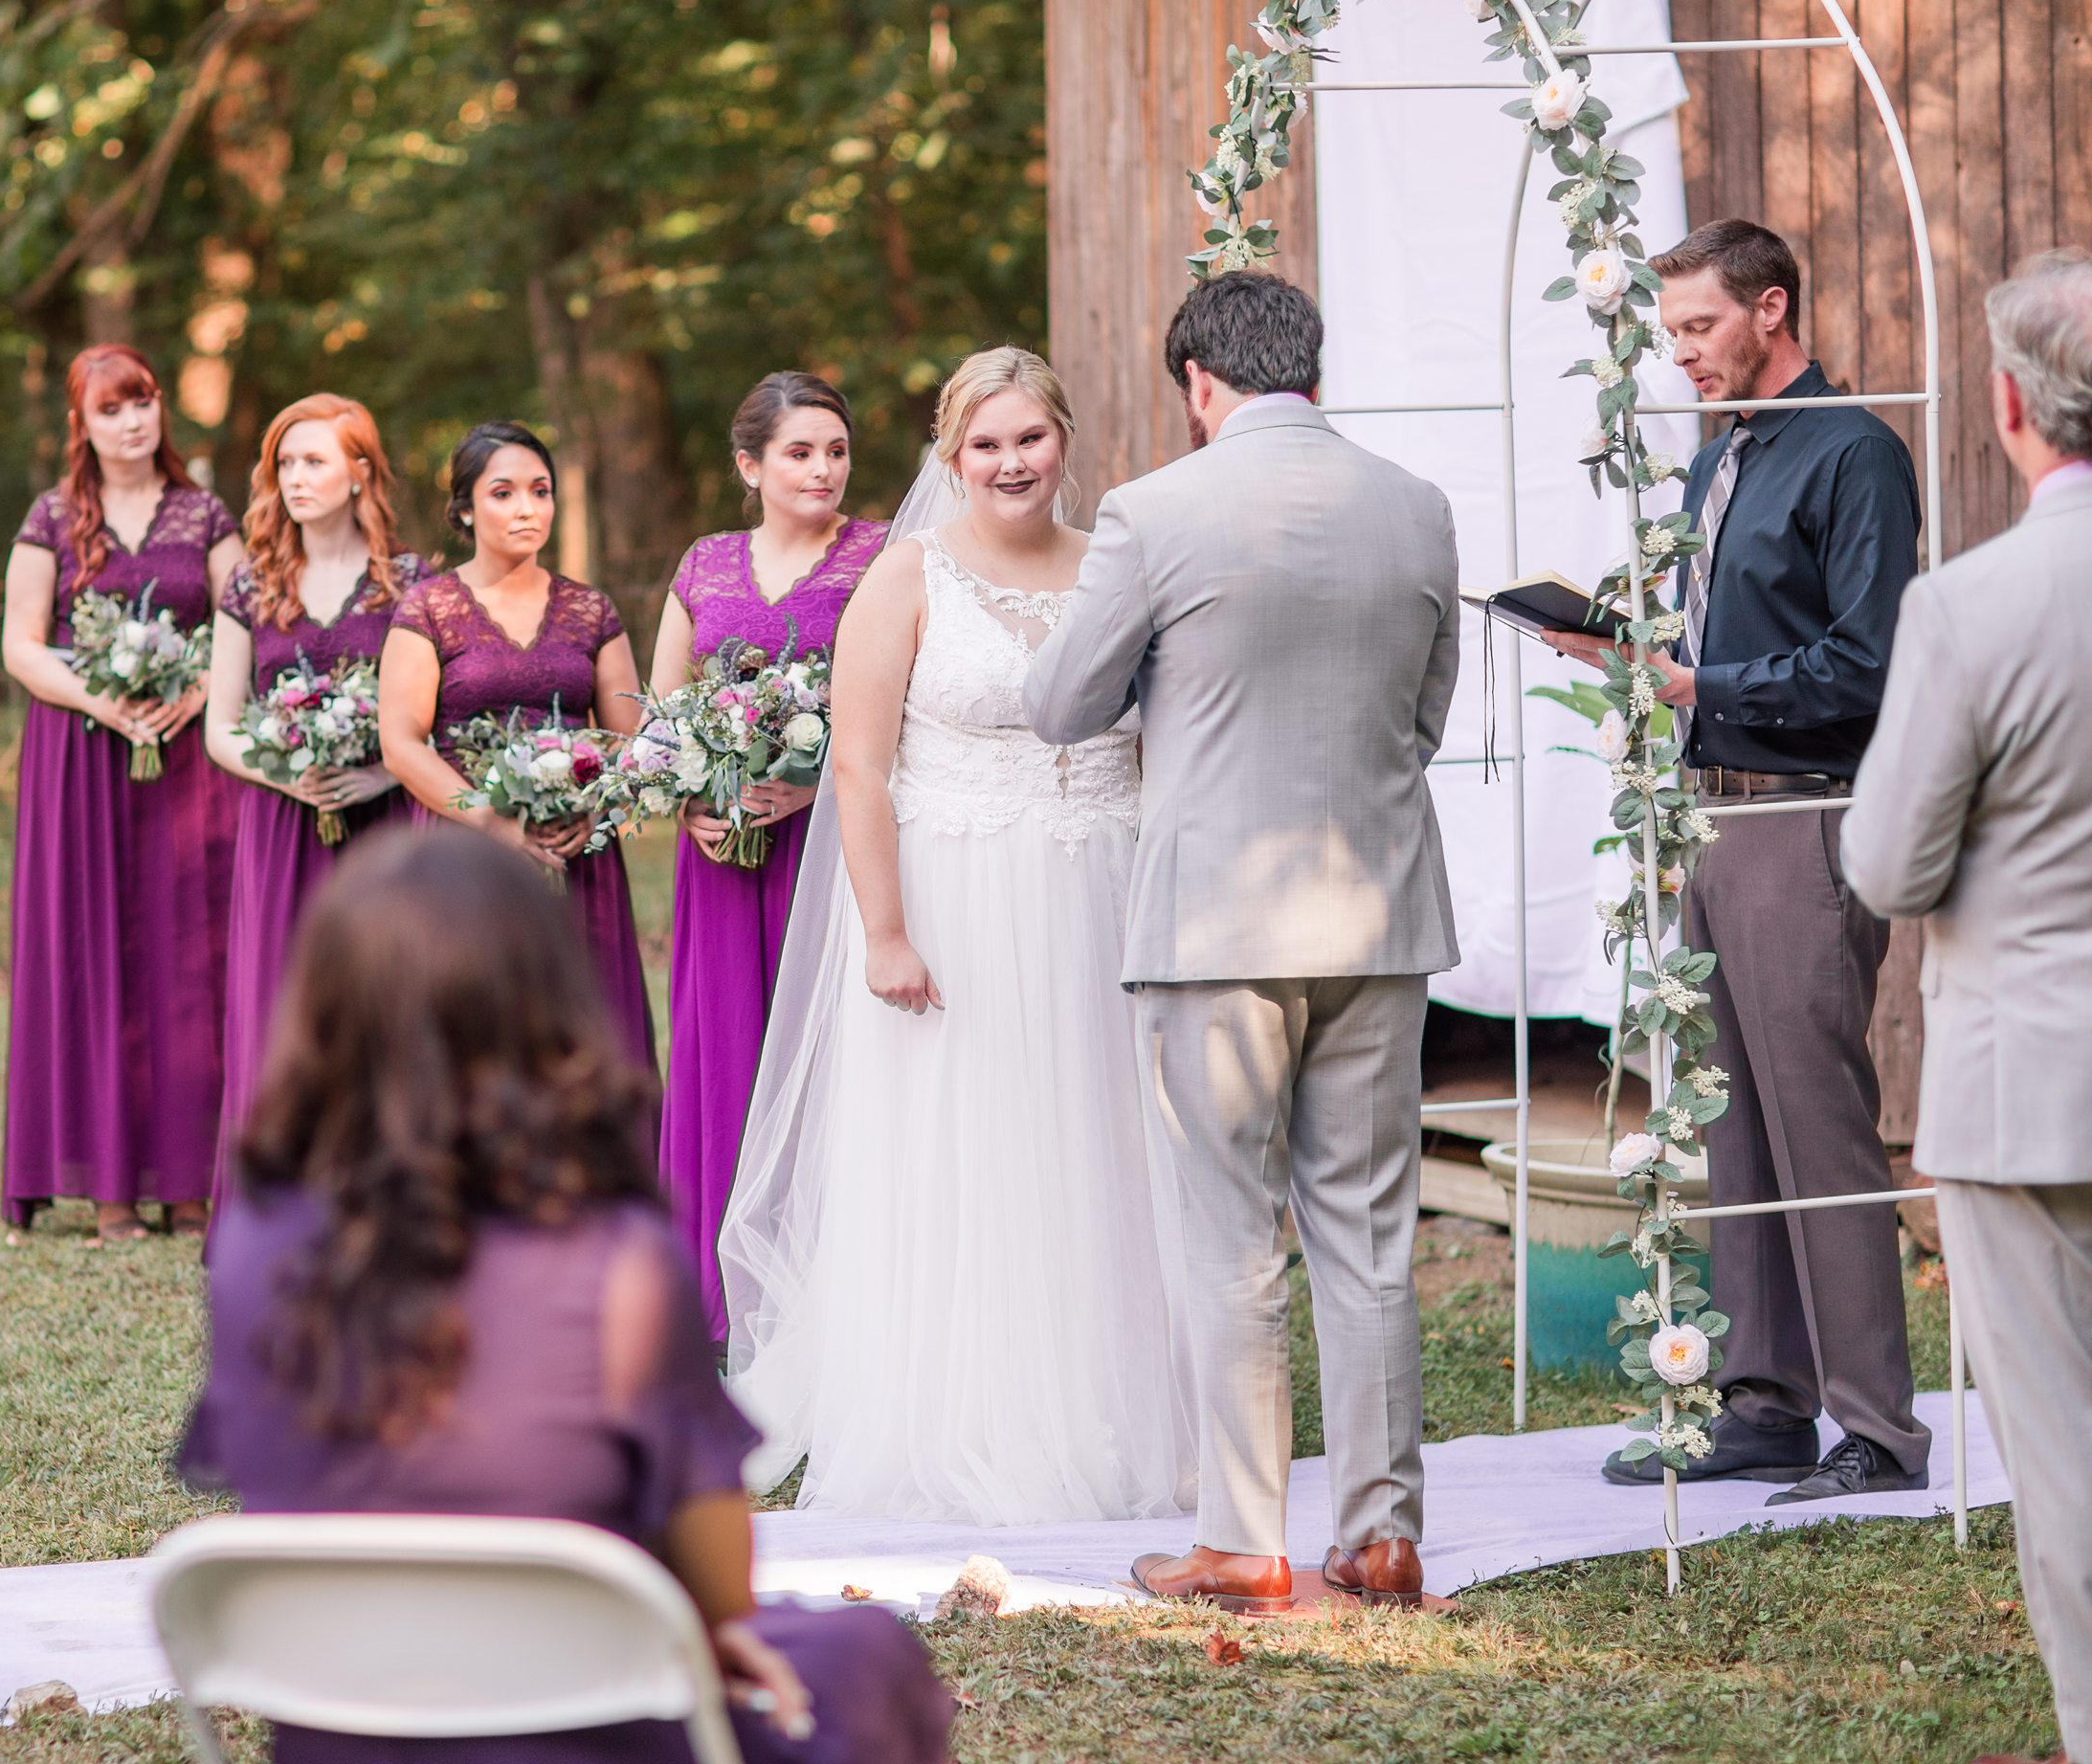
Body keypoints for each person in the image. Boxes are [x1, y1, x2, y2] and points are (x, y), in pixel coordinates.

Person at [177, 826, 954, 1764]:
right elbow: (720, 1588)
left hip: (344, 1725)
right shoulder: (618, 1258)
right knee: (865, 1655)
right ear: (543, 1004)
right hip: (582, 1720)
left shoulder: (251, 1247)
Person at [1024, 273, 1458, 1612]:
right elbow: (1425, 712)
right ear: (1309, 370)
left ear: (1200, 384)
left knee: (1228, 1238)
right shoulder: (1418, 506)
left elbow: (1059, 704)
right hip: (1379, 912)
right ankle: (1384, 1536)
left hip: (1214, 922)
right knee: (1371, 1233)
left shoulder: (1154, 511)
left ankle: (1241, 1542)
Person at [720, 347, 1196, 1526]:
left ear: (1064, 441)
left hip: (1097, 893)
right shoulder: (907, 574)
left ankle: (1099, 1405)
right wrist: (885, 930)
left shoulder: (1112, 569)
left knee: (1089, 1145)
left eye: (1029, 438)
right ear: (951, 455)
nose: (1010, 462)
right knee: (972, 1151)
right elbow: (861, 763)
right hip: (957, 899)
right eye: (984, 444)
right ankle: (964, 1416)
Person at [1542, 220, 1928, 1501]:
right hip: (1712, 817)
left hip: (1809, 818)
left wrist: (1698, 680)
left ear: (1771, 310)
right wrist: (1627, 650)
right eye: (1670, 335)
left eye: (1700, 329)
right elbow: (1719, 643)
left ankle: (1878, 1429)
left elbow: (1867, 669)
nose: (1683, 356)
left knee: (1822, 1132)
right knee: (1737, 1133)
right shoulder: (1721, 465)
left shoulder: (1858, 452)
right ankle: (1764, 1402)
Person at [1842, 248, 2092, 1764]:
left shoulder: (1972, 606)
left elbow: (1884, 858)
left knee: (2065, 1462)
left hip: (2030, 1084)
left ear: (2009, 407)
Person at [645, 373, 888, 1340]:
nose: (823, 467)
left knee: (833, 1061)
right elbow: (660, 713)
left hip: (836, 854)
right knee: (726, 1056)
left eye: (835, 449)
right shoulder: (703, 563)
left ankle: (836, 1304)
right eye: (799, 451)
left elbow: (909, 711)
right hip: (721, 856)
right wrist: (689, 797)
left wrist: (819, 778)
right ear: (749, 466)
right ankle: (719, 1304)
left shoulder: (880, 558)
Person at [0, 345, 243, 1239]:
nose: (134, 421)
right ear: (84, 425)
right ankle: (108, 1192)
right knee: (97, 950)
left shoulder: (204, 513)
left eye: (144, 402)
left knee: (194, 951)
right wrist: (104, 697)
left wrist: (197, 688)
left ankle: (190, 1183)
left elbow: (244, 617)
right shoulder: (54, 517)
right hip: (83, 758)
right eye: (113, 409)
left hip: (190, 757)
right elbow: (21, 645)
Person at [378, 422, 653, 1066]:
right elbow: (401, 742)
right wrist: (491, 820)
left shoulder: (592, 611)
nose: (528, 508)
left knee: (578, 1040)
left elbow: (630, 737)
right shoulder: (429, 608)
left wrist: (595, 808)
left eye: (541, 490)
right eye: (503, 493)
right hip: (459, 857)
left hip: (574, 856)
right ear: (465, 509)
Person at [203, 392, 427, 1170]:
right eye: (284, 464)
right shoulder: (251, 584)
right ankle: (283, 1196)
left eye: (315, 461)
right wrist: (287, 773)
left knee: (386, 1003)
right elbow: (221, 726)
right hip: (283, 825)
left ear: (360, 473)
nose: (296, 479)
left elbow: (428, 721)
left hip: (385, 828)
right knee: (282, 1006)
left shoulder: (410, 585)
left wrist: (376, 775)